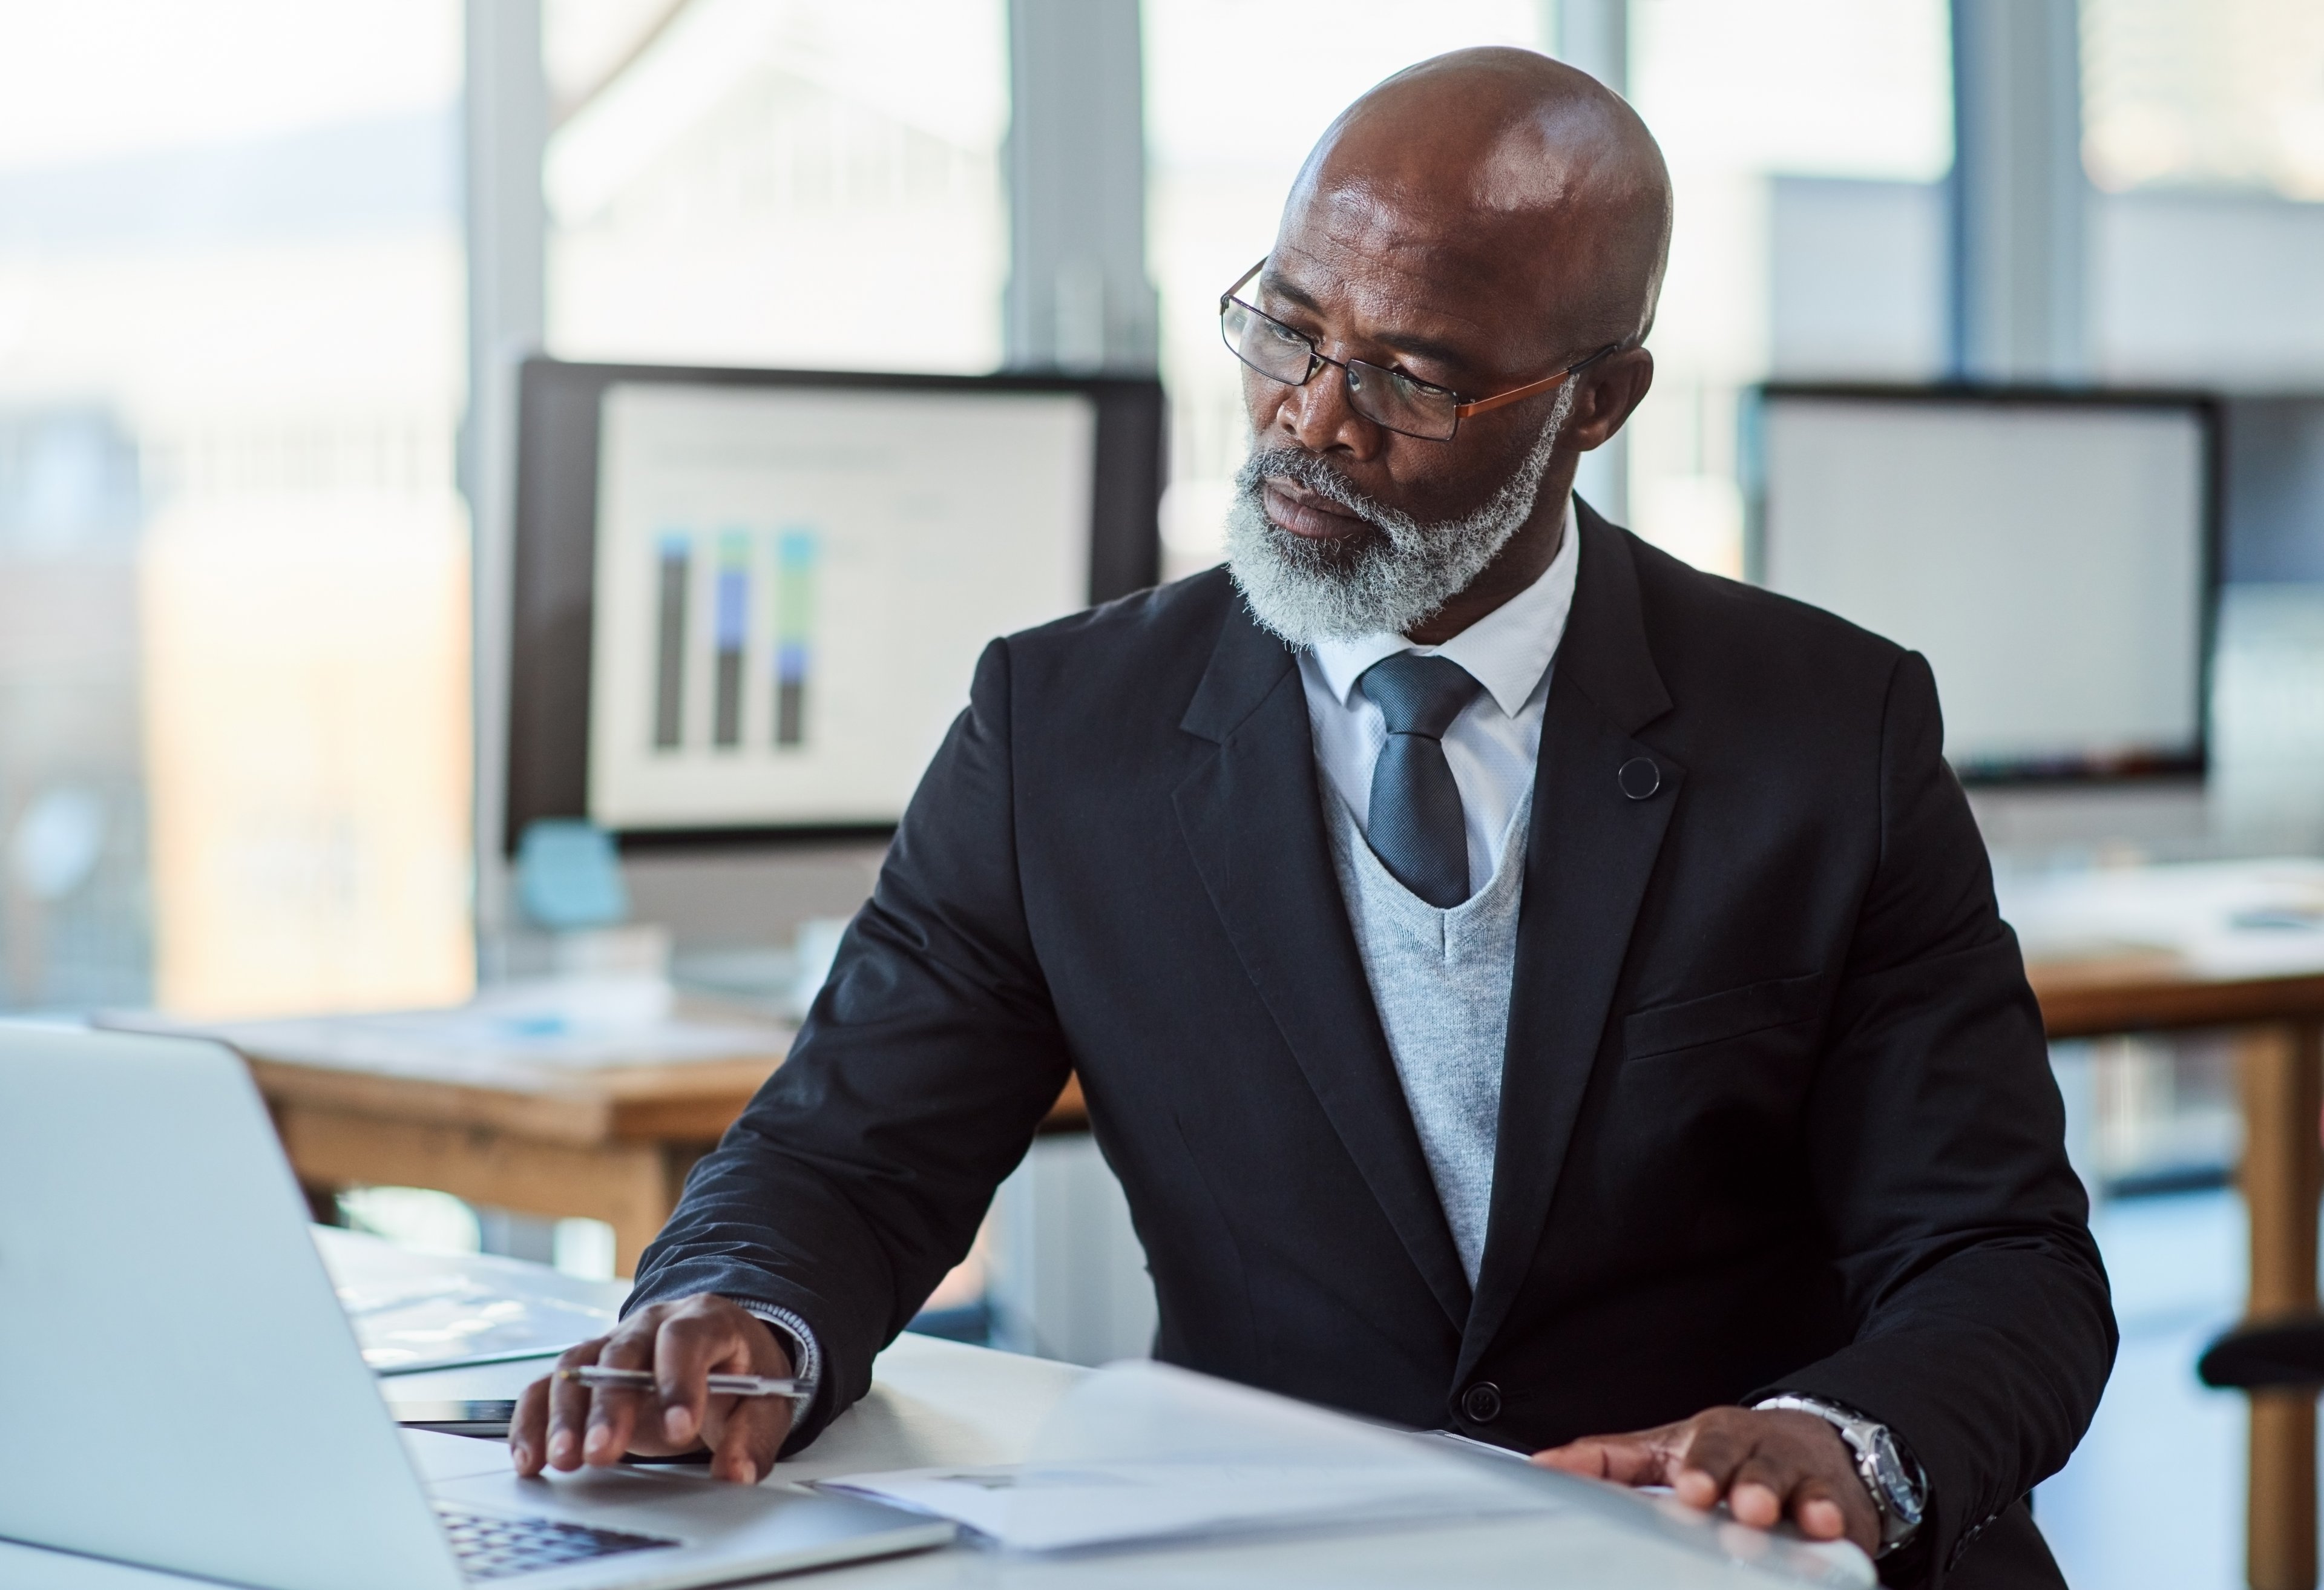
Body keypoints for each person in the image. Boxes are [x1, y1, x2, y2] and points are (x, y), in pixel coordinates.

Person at [511, 47, 2113, 1588]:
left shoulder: (1832, 728)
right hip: (1284, 1554)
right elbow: (847, 1158)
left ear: (1598, 402)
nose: (1311, 418)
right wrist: (736, 1314)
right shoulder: (1061, 728)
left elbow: (2005, 1260)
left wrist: (1842, 1442)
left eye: (1411, 374)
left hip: (1720, 1565)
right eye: (1285, 326)